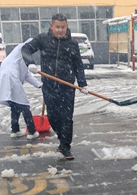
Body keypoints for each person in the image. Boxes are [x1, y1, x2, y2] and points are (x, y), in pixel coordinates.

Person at [21, 13, 88, 160]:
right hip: (49, 85)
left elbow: (78, 65)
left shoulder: (72, 44)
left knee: (66, 118)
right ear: (51, 26)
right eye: (57, 27)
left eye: (63, 27)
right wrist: (30, 63)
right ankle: (62, 137)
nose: (60, 30)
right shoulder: (43, 39)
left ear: (67, 27)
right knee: (53, 117)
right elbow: (25, 49)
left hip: (67, 86)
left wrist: (82, 84)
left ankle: (65, 147)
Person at [0, 38, 42, 139]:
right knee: (24, 104)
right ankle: (32, 132)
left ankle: (15, 130)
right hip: (11, 77)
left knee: (15, 105)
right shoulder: (22, 49)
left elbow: (26, 75)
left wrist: (39, 85)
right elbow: (25, 72)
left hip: (6, 76)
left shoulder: (20, 55)